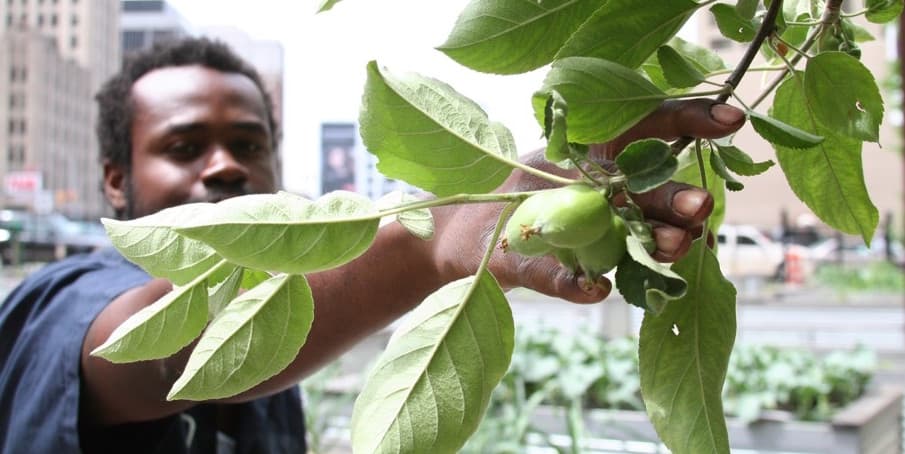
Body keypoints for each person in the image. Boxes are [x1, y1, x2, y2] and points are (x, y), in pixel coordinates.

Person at [0, 37, 745, 453]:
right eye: (184, 144)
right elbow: (164, 352)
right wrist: (435, 244)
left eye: (248, 143)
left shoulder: (296, 310)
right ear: (115, 181)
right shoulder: (59, 303)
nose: (226, 165)